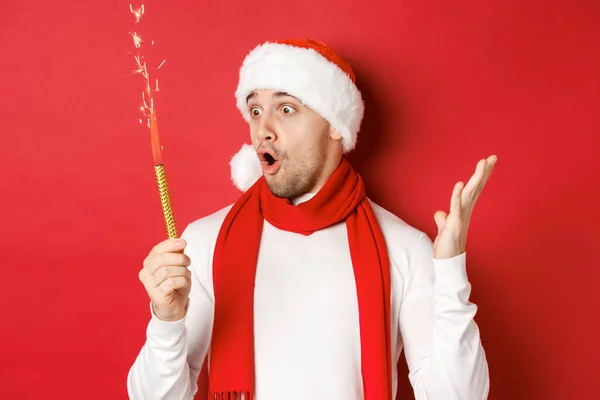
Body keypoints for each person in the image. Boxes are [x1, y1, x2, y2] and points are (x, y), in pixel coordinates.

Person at [127, 38, 495, 400]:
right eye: (255, 111)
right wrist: (167, 319)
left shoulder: (403, 246)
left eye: (286, 109)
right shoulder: (206, 242)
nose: (263, 130)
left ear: (335, 124)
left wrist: (450, 271)